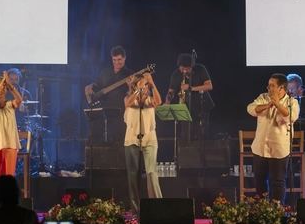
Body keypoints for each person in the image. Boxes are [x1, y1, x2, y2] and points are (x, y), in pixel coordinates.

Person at [246, 73, 299, 204]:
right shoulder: (263, 97)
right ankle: (261, 210)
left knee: (278, 182)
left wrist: (277, 104)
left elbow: (291, 117)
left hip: (279, 149)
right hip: (260, 148)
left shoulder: (292, 102)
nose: (269, 88)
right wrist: (268, 105)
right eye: (268, 85)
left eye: (272, 86)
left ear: (282, 88)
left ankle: (277, 212)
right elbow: (251, 109)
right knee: (259, 180)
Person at [124, 72, 163, 213]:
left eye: (146, 85)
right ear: (135, 86)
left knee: (151, 172)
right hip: (132, 139)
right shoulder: (129, 98)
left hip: (150, 138)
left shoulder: (150, 100)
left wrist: (152, 83)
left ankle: (157, 207)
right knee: (133, 175)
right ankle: (135, 209)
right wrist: (137, 89)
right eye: (143, 84)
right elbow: (128, 104)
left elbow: (159, 102)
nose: (145, 87)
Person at [85, 45, 133, 143]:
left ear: (124, 58)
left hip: (121, 114)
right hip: (105, 114)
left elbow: (133, 96)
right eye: (114, 60)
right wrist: (90, 87)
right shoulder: (105, 72)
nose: (116, 63)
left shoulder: (130, 74)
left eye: (119, 59)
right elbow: (97, 86)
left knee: (119, 142)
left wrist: (130, 86)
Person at [165, 52, 214, 141]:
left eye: (187, 69)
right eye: (183, 68)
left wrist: (191, 88)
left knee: (201, 133)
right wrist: (167, 103)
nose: (185, 71)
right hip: (185, 107)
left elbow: (209, 86)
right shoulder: (176, 74)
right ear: (179, 66)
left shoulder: (200, 69)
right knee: (186, 134)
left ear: (192, 66)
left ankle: (202, 153)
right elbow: (171, 91)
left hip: (202, 106)